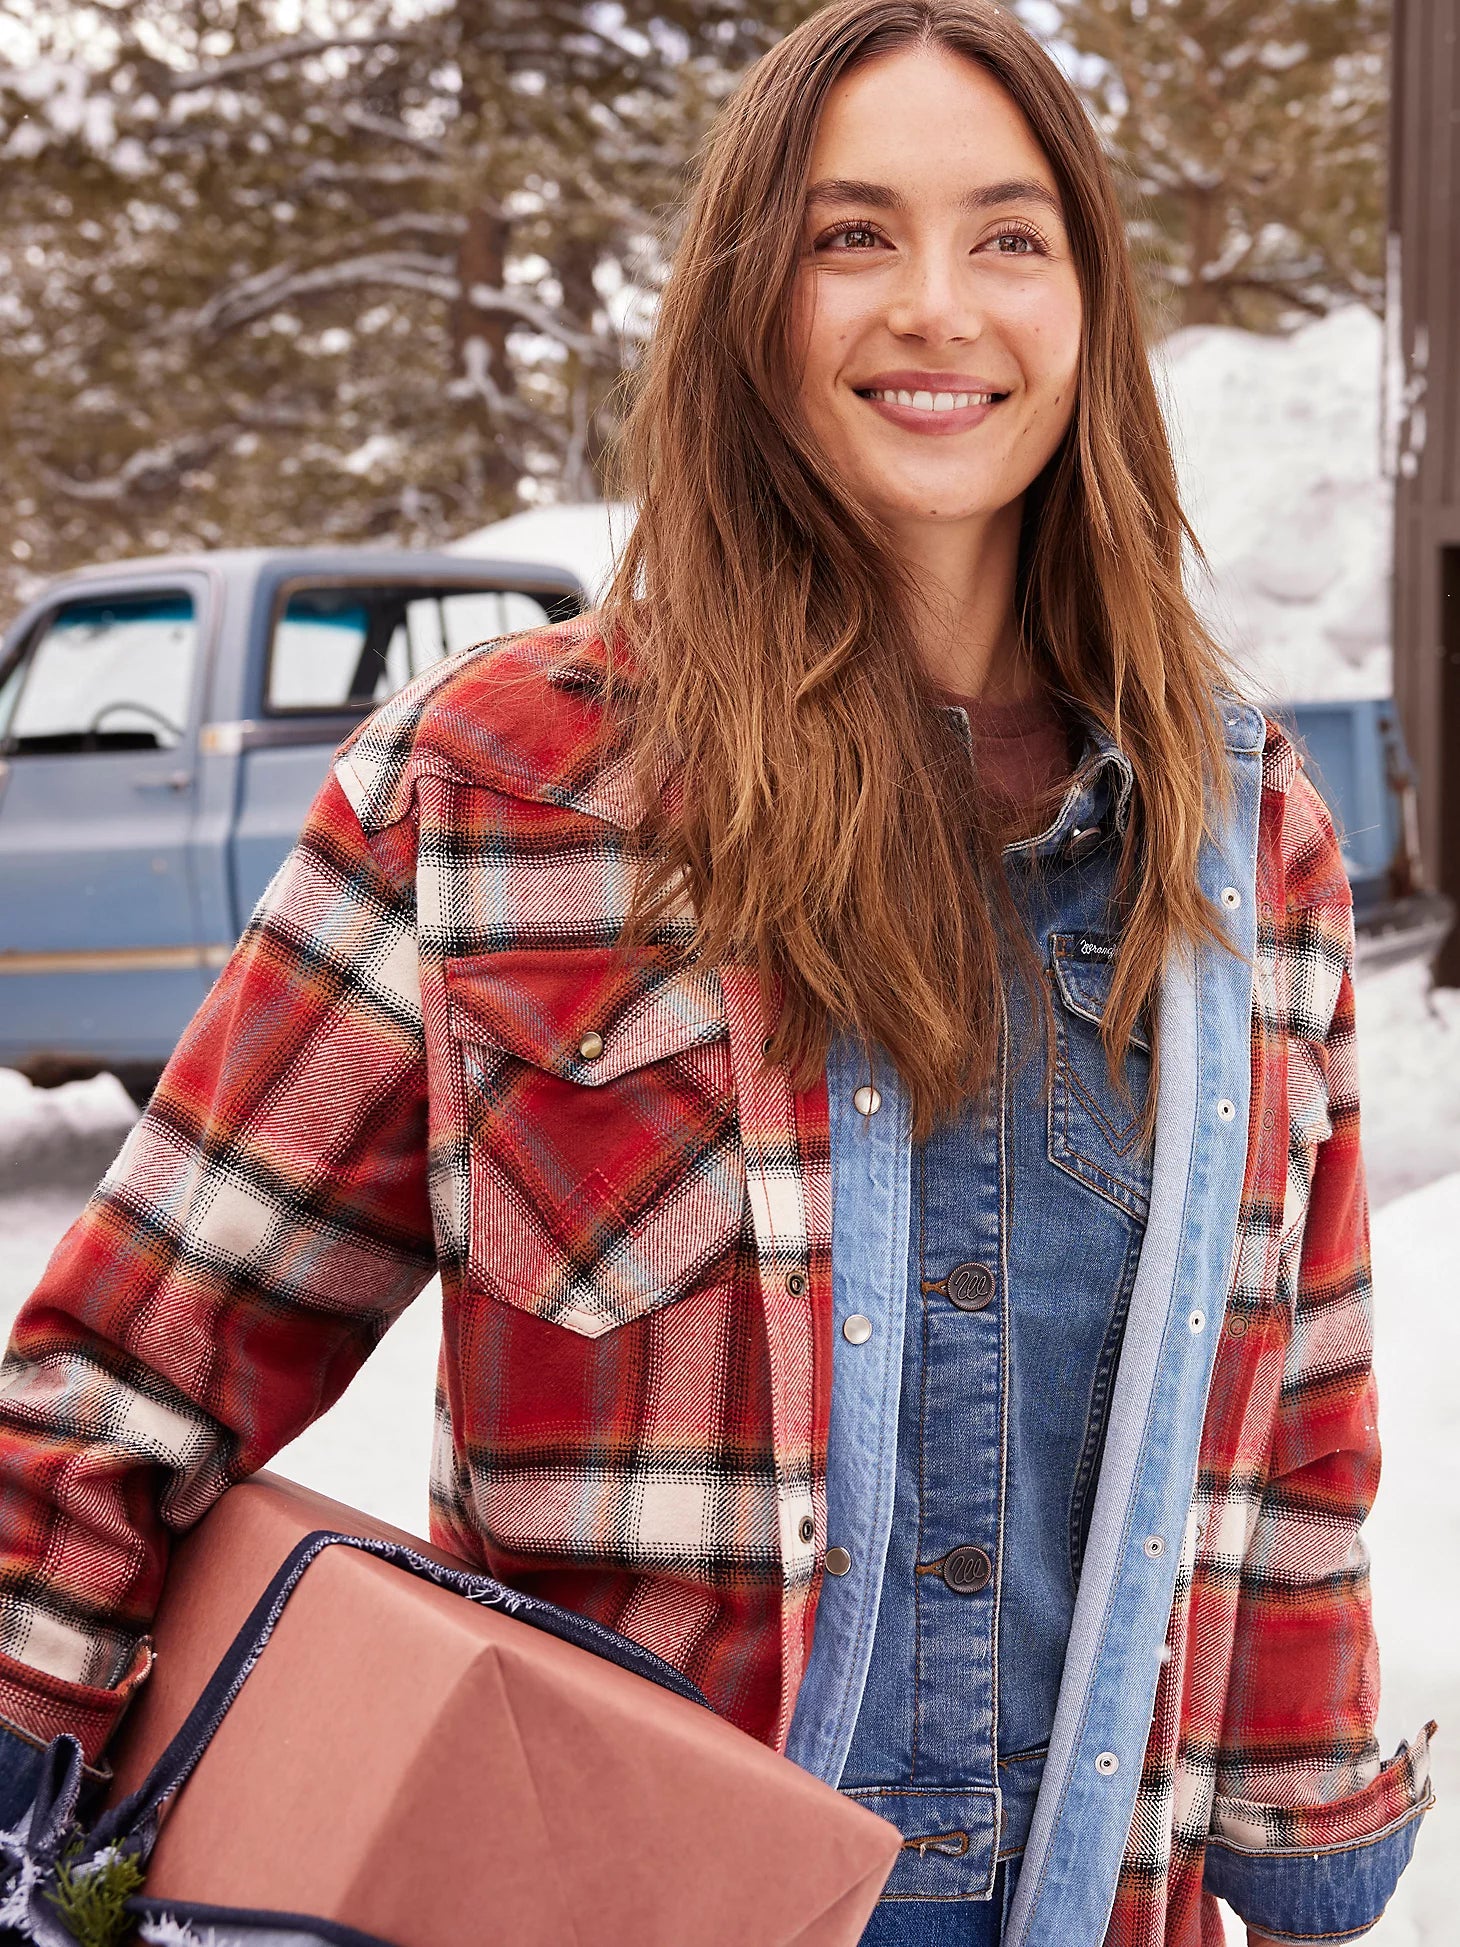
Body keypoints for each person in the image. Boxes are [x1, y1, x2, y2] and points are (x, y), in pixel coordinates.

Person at [0, 2, 1433, 1942]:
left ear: (1087, 308)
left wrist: (1305, 1811)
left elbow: (1302, 1422)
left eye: (1008, 237)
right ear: (748, 301)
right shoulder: (498, 786)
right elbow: (124, 1372)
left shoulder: (1245, 840)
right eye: (853, 235)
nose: (937, 304)